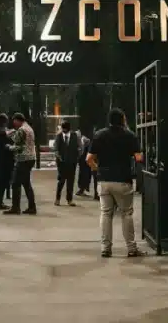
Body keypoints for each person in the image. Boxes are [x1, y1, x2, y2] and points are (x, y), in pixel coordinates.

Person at [87, 108, 145, 258]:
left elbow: (89, 159)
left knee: (106, 214)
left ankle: (105, 248)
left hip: (104, 180)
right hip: (123, 180)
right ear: (123, 120)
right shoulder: (130, 136)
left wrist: (97, 170)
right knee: (126, 214)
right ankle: (131, 248)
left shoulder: (99, 135)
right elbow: (138, 158)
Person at [5, 113, 37, 215]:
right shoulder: (29, 128)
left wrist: (8, 147)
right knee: (26, 183)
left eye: (14, 121)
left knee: (15, 183)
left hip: (23, 159)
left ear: (18, 120)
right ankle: (32, 207)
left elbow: (17, 144)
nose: (14, 123)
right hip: (31, 158)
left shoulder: (22, 130)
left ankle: (15, 207)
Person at [54, 121, 80, 206]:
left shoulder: (74, 135)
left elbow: (78, 147)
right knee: (61, 181)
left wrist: (77, 158)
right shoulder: (59, 136)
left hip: (72, 162)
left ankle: (69, 200)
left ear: (68, 129)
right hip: (62, 163)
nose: (63, 130)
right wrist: (58, 157)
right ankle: (57, 199)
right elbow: (56, 148)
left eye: (64, 129)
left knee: (70, 182)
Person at [76, 131, 93, 197]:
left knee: (84, 174)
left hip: (84, 160)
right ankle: (82, 189)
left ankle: (82, 189)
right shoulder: (86, 140)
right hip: (85, 161)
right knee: (85, 175)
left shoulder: (84, 140)